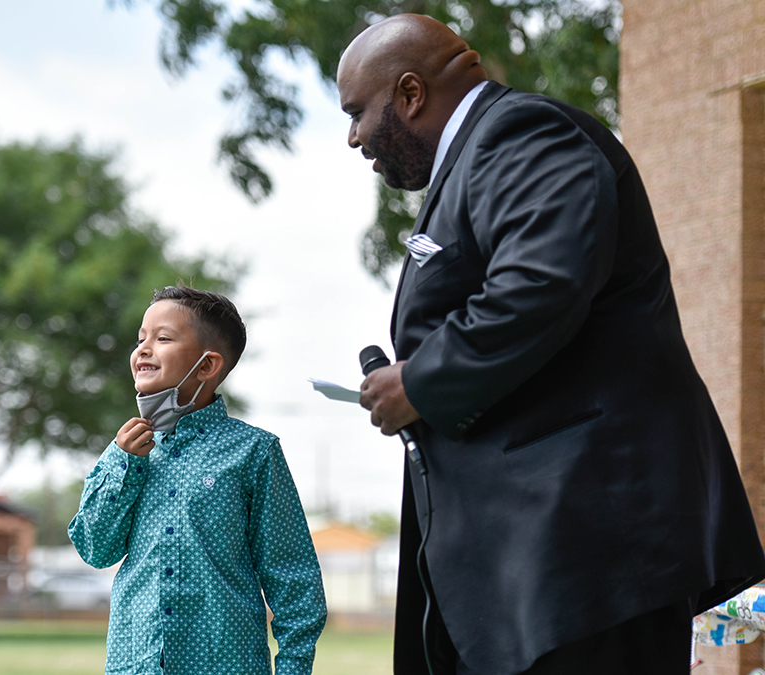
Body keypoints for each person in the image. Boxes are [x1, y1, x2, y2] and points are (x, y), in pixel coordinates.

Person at [337, 13, 765, 675]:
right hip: (542, 571)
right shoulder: (481, 154)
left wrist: (419, 382)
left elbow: (541, 281)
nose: (353, 136)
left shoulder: (519, 133)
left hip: (588, 562)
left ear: (411, 94)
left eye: (358, 112)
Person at [68, 286, 326, 675]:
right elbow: (94, 548)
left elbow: (292, 576)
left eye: (163, 338)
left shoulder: (254, 452)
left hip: (225, 664)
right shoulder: (126, 450)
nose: (143, 349)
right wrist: (123, 463)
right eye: (141, 339)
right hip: (135, 665)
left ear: (207, 366)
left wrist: (293, 667)